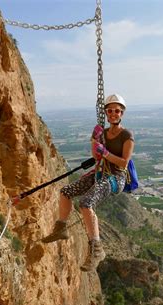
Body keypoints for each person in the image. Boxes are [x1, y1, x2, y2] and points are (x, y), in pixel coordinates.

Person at [41, 94, 135, 272]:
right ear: (106, 113)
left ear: (122, 113)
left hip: (116, 177)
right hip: (101, 172)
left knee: (86, 202)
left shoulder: (127, 135)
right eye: (110, 110)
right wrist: (95, 140)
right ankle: (61, 227)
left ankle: (97, 249)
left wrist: (106, 153)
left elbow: (124, 162)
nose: (113, 113)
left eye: (117, 110)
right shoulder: (104, 133)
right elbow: (95, 156)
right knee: (66, 192)